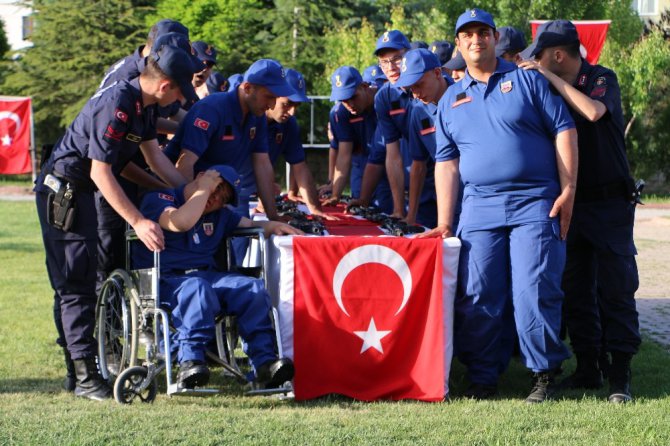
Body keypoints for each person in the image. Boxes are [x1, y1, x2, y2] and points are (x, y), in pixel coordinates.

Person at [430, 8, 578, 403]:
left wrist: (569, 189)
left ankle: (543, 373)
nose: (476, 40)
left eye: (483, 32)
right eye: (468, 35)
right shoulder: (450, 100)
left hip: (535, 203)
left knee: (533, 289)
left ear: (495, 38)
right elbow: (446, 163)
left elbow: (564, 130)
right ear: (459, 44)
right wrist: (446, 221)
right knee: (478, 293)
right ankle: (482, 377)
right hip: (479, 209)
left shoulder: (526, 80)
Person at [35, 44, 198, 401]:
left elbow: (146, 159)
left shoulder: (143, 106)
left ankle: (78, 370)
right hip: (64, 191)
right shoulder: (119, 102)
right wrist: (139, 220)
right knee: (75, 283)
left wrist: (185, 193)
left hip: (82, 191)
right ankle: (83, 376)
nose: (178, 101)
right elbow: (101, 171)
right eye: (180, 91)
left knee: (83, 280)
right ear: (165, 85)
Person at [519, 20, 641, 403]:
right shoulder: (547, 89)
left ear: (557, 55)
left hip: (609, 204)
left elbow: (592, 112)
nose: (534, 64)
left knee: (615, 290)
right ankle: (589, 368)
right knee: (575, 291)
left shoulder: (601, 77)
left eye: (538, 57)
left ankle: (619, 376)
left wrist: (550, 79)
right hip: (572, 203)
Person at [132, 165, 301, 389]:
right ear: (202, 178)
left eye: (224, 197)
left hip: (206, 278)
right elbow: (180, 221)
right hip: (165, 280)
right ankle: (190, 362)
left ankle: (264, 365)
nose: (217, 198)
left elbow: (250, 225)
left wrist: (274, 225)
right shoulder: (160, 199)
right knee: (196, 288)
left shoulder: (220, 215)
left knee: (251, 288)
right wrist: (203, 189)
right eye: (218, 188)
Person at [394, 48, 454, 228]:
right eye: (411, 88)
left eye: (419, 85)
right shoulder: (418, 111)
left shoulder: (465, 95)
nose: (416, 94)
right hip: (443, 199)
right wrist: (411, 215)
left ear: (437, 73)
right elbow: (418, 165)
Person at [325, 66, 393, 213]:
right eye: (344, 100)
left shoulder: (385, 99)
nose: (350, 105)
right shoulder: (340, 113)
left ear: (364, 86)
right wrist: (335, 195)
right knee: (361, 211)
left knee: (388, 214)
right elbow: (343, 154)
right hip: (361, 166)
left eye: (353, 97)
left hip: (389, 166)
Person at [264, 69, 330, 218]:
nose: (292, 112)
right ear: (273, 94)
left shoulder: (289, 124)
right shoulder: (250, 118)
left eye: (297, 105)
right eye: (287, 104)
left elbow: (299, 166)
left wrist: (315, 209)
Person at [374, 30, 415, 218]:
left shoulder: (432, 83)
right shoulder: (384, 97)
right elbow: (393, 155)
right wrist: (399, 209)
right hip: (417, 179)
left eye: (397, 59)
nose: (390, 67)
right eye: (384, 62)